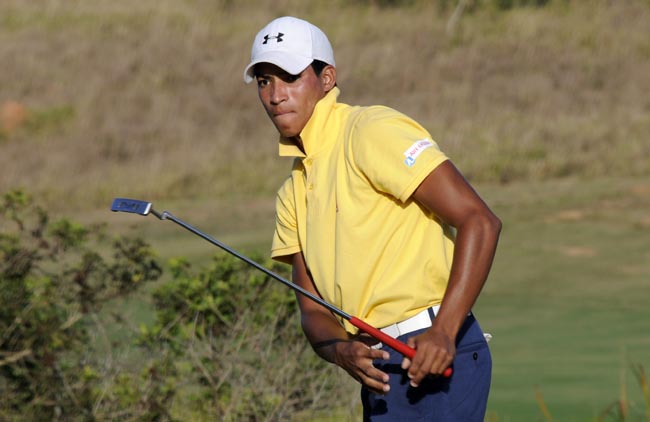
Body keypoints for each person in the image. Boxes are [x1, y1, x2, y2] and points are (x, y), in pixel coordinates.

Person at [243, 16, 502, 421]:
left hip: (437, 356)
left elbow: (479, 220)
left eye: (289, 77)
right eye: (264, 81)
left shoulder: (370, 131)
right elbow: (312, 311)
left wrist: (444, 332)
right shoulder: (291, 194)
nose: (275, 95)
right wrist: (339, 350)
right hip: (380, 372)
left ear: (326, 78)